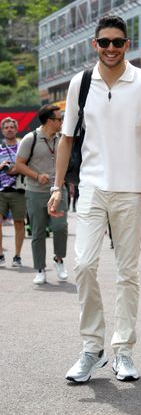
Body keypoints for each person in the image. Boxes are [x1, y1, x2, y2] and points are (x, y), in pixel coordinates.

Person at [47, 15, 141, 383]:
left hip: (132, 189)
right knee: (82, 265)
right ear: (94, 45)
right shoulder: (80, 83)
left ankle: (124, 351)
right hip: (91, 187)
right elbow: (66, 139)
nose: (111, 48)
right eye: (104, 42)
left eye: (118, 42)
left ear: (127, 44)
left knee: (128, 273)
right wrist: (56, 185)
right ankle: (91, 347)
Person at [15, 105, 68, 284]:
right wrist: (36, 176)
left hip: (59, 190)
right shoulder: (31, 139)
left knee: (60, 227)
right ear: (48, 121)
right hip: (35, 191)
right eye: (59, 119)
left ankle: (59, 260)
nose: (62, 122)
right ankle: (40, 269)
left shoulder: (62, 138)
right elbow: (19, 164)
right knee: (38, 231)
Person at [0, 117, 26, 267]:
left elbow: (29, 164)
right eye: (6, 127)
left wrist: (17, 168)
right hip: (1, 190)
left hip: (19, 190)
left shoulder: (23, 146)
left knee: (18, 223)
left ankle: (17, 256)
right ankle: (0, 255)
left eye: (12, 127)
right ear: (3, 130)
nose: (9, 129)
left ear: (16, 129)